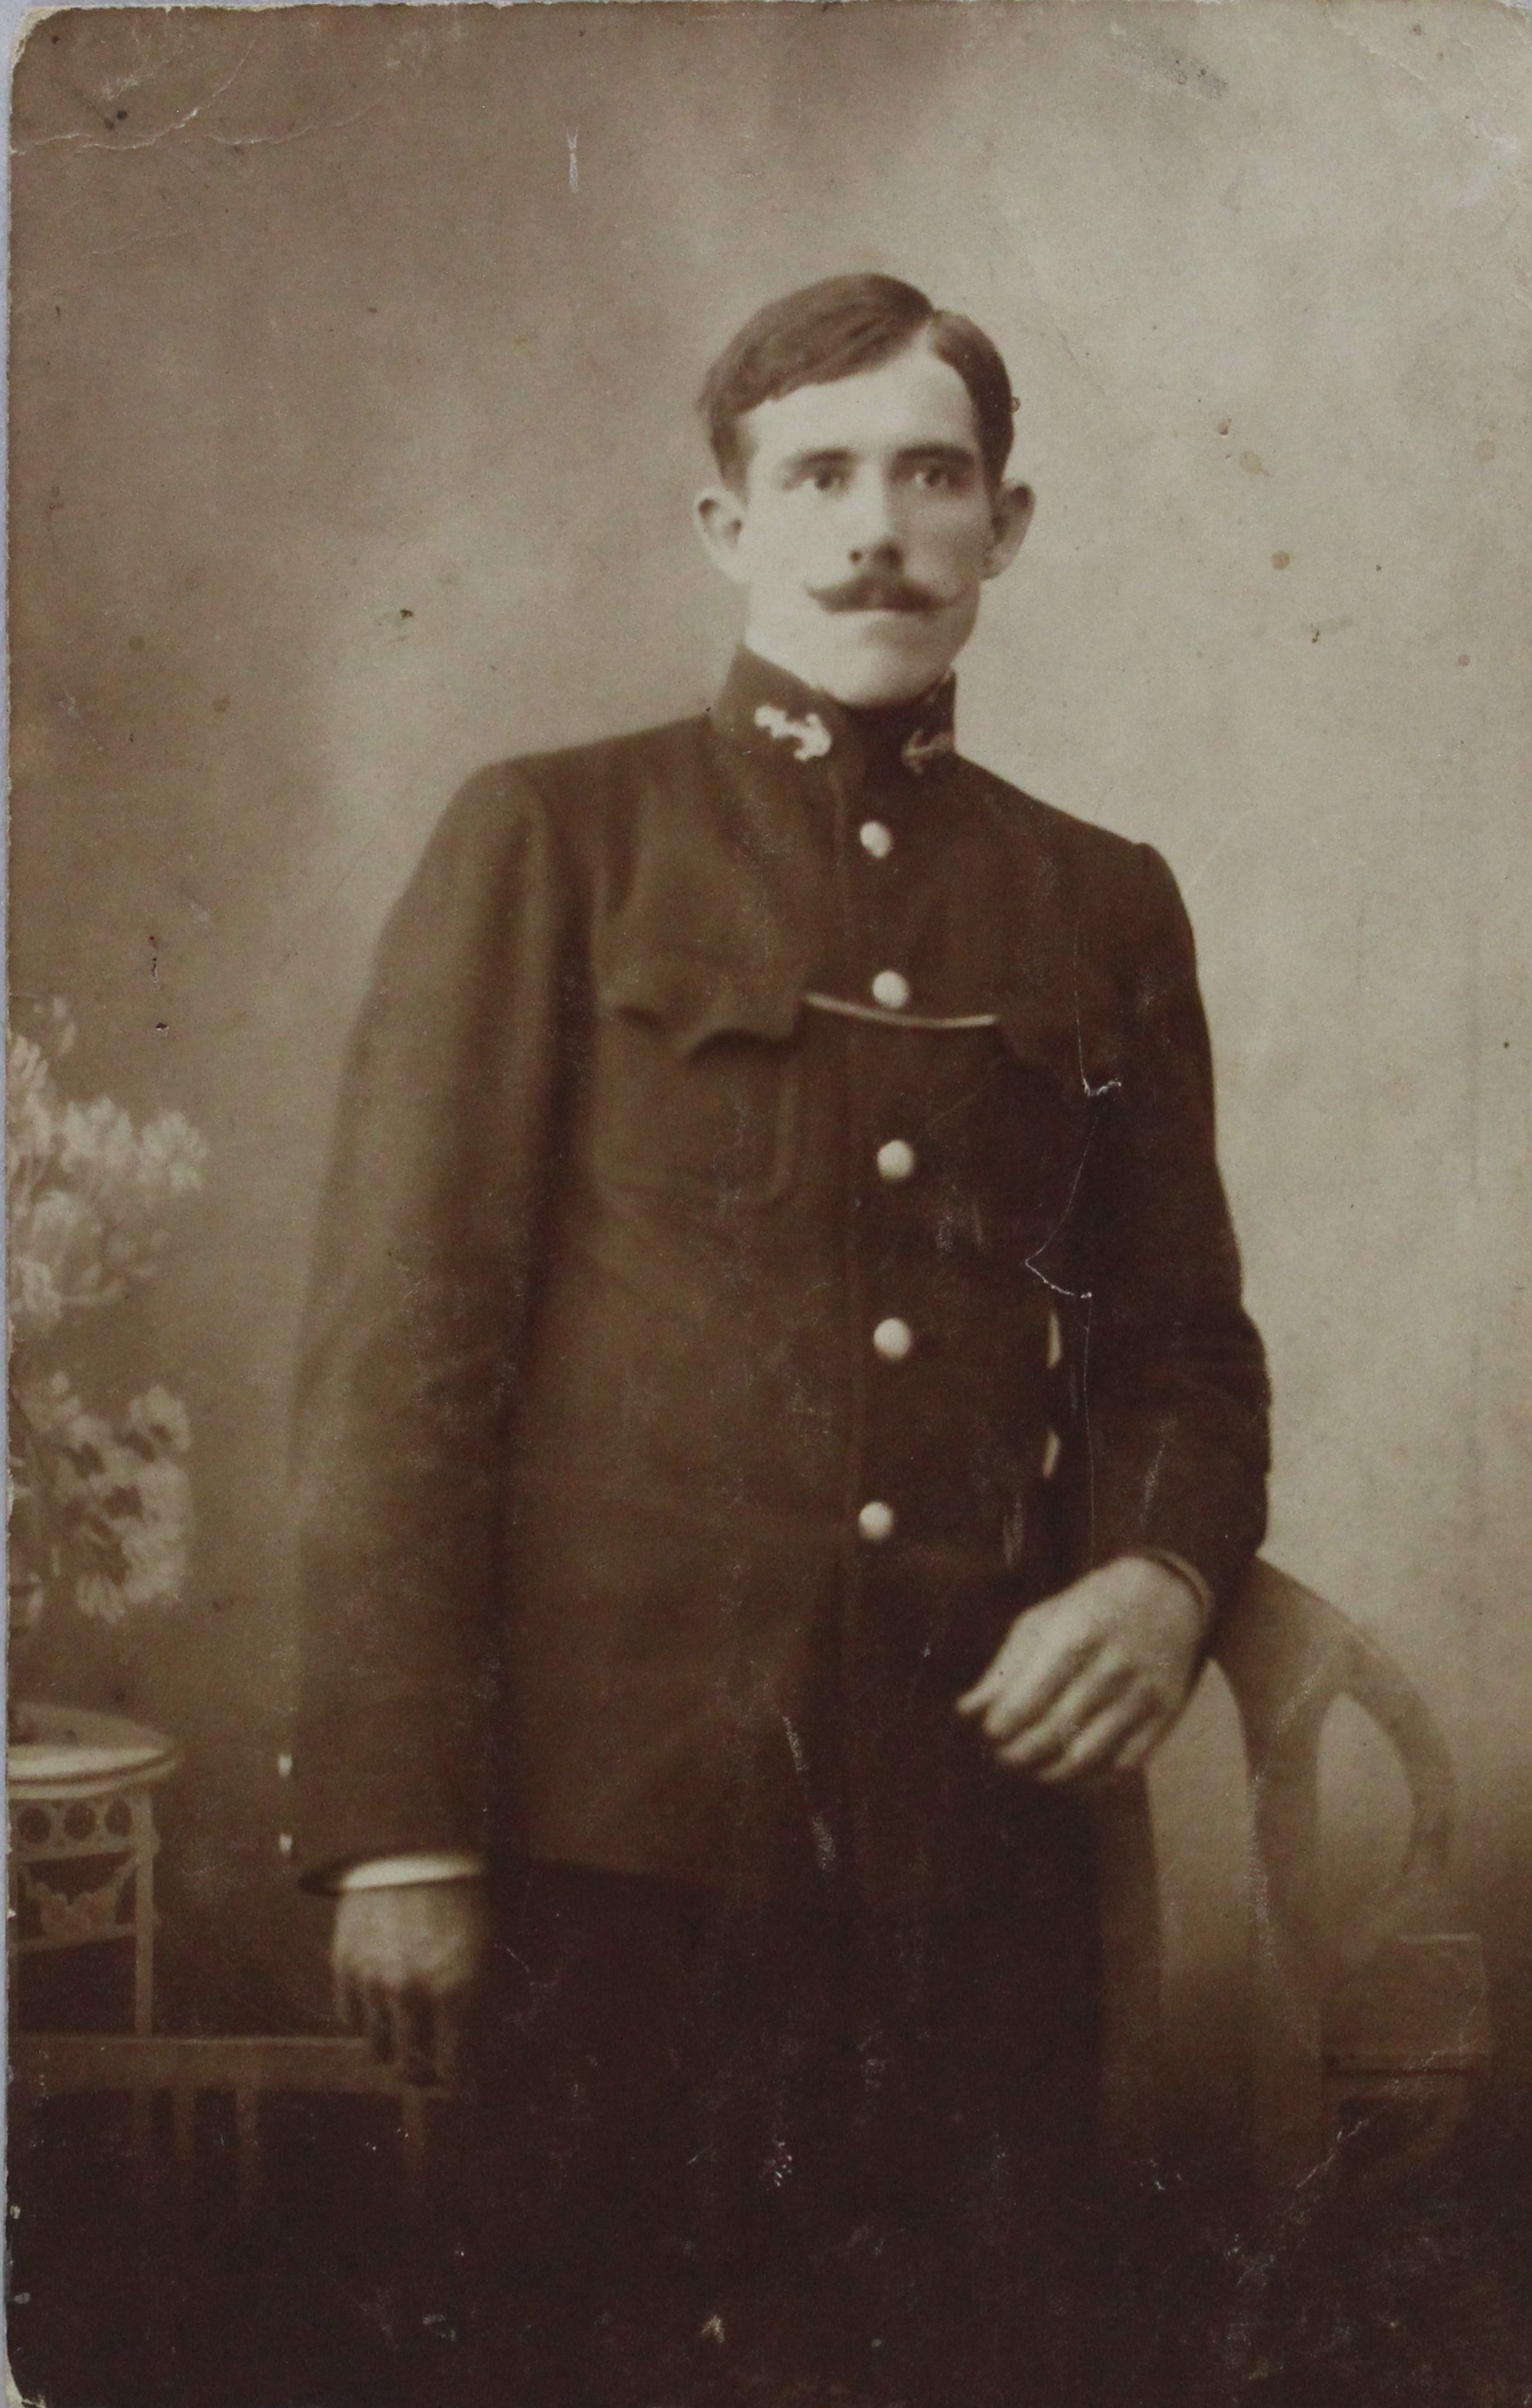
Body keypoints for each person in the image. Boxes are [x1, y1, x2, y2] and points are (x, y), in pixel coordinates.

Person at [292, 272, 1269, 2404]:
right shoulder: (557, 841)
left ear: (1006, 524)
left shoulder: (1101, 899)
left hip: (971, 1841)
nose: (877, 532)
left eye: (932, 476)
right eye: (818, 477)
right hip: (609, 1848)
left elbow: (1182, 1342)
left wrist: (1161, 1570)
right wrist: (403, 1828)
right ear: (726, 525)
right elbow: (401, 1358)